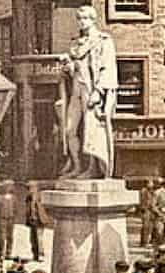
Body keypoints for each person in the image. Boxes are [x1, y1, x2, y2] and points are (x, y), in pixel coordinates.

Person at [58, 5, 118, 179]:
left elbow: (108, 68)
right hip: (76, 90)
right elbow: (74, 70)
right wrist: (67, 67)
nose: (81, 22)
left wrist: (98, 92)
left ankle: (93, 168)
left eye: (85, 18)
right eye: (79, 18)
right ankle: (76, 165)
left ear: (93, 20)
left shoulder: (103, 41)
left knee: (92, 131)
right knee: (69, 129)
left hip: (91, 90)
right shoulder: (76, 44)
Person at [26, 182, 51, 262]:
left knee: (37, 237)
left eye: (29, 188)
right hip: (37, 220)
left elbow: (33, 209)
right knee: (34, 238)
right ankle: (36, 254)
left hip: (37, 220)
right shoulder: (34, 196)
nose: (28, 190)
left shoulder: (34, 196)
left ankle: (39, 254)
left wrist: (32, 217)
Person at [0, 183, 16, 260]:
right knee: (2, 237)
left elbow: (15, 209)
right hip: (2, 219)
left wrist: (13, 217)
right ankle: (1, 252)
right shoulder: (0, 198)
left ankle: (8, 252)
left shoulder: (13, 198)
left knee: (10, 237)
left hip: (10, 219)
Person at [151, 178, 165, 245]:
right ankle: (157, 250)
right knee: (159, 233)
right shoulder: (158, 192)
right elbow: (153, 205)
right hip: (160, 216)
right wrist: (159, 213)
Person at [139, 179, 154, 248]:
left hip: (150, 210)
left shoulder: (151, 191)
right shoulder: (143, 191)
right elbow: (142, 201)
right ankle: (144, 242)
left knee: (149, 227)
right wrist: (144, 209)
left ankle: (147, 241)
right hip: (146, 210)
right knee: (145, 226)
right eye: (151, 183)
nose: (152, 185)